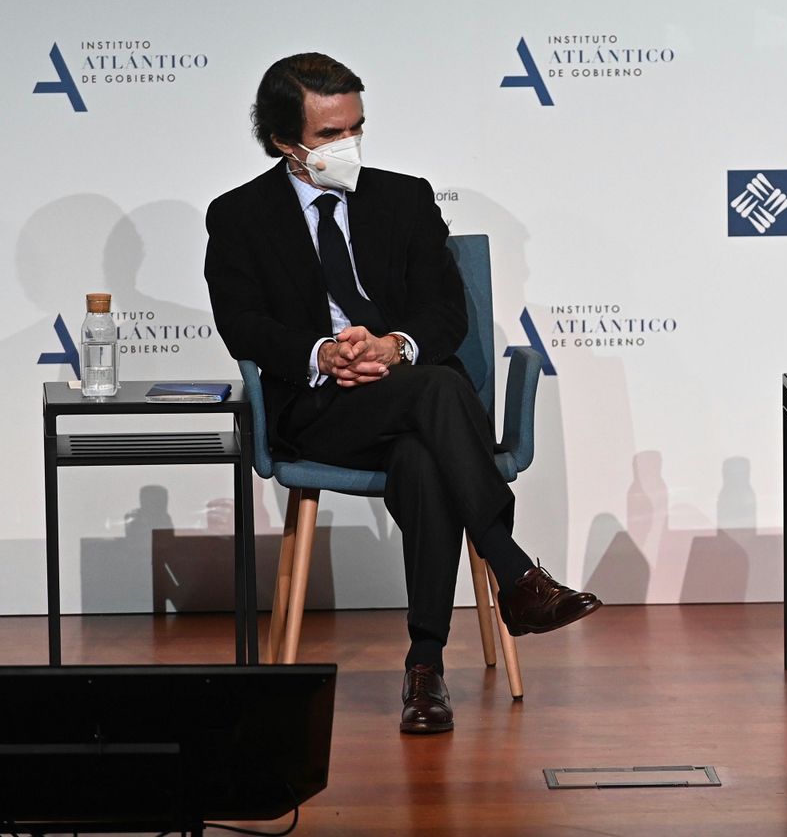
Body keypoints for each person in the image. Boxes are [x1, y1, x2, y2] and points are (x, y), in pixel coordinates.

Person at [205, 53, 600, 734]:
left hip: (410, 395)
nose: (348, 145)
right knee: (443, 391)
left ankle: (425, 671)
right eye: (330, 136)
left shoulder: (404, 197)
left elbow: (447, 312)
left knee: (424, 449)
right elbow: (241, 322)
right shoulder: (239, 215)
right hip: (321, 408)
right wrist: (323, 354)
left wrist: (395, 348)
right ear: (283, 141)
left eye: (356, 127)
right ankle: (512, 571)